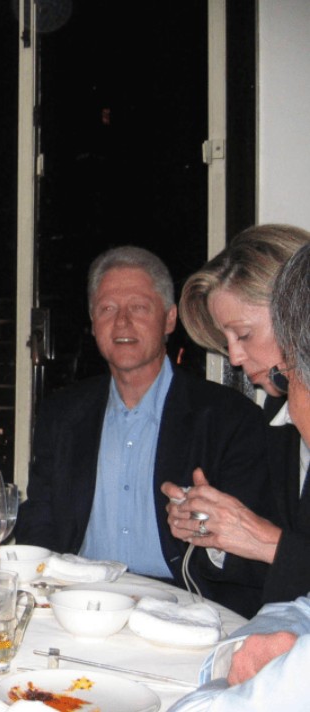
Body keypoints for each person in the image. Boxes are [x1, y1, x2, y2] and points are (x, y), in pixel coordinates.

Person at [15, 246, 270, 617]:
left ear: (169, 319)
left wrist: (209, 534)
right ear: (93, 321)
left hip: (184, 607)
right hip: (80, 602)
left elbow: (254, 557)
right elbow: (40, 518)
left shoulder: (229, 418)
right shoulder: (63, 413)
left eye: (138, 307)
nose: (122, 322)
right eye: (107, 308)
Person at [169, 243, 310, 712]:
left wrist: (267, 541)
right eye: (226, 338)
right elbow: (287, 588)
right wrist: (214, 534)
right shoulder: (277, 419)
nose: (232, 356)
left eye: (243, 334)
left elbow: (282, 550)